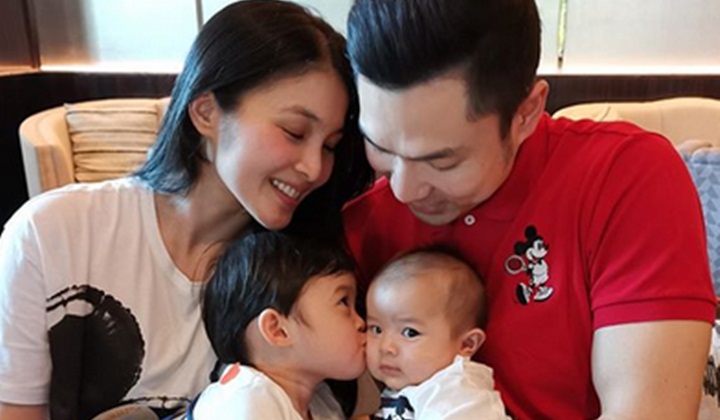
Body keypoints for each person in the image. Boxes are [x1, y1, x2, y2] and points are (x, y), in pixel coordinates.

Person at [342, 0, 716, 419]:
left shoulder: (624, 177)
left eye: (442, 161)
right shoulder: (361, 220)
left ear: (526, 113)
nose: (402, 189)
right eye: (381, 147)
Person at [0, 1, 374, 419]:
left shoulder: (307, 277)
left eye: (330, 146)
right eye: (295, 132)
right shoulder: (51, 233)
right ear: (206, 112)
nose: (315, 168)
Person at [186, 231, 366, 419]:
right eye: (343, 302)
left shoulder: (324, 405)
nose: (361, 322)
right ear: (278, 330)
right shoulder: (246, 401)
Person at [366, 246, 508, 420]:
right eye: (376, 329)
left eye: (410, 333)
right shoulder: (413, 385)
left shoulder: (457, 393)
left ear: (467, 344)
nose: (385, 347)